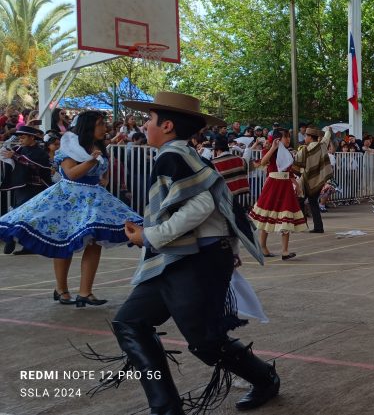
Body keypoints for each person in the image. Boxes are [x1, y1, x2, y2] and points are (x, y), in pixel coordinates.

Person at [88, 91, 278, 414]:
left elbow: (203, 203)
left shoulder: (172, 156)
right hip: (178, 258)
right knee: (130, 322)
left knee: (204, 342)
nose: (145, 125)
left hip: (193, 260)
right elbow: (214, 203)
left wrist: (151, 235)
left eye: (149, 120)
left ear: (168, 125)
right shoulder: (183, 155)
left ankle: (265, 378)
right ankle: (166, 408)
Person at [0, 111, 143, 306]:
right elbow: (71, 174)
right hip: (69, 197)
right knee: (63, 240)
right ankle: (61, 289)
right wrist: (92, 161)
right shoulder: (69, 146)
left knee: (94, 241)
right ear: (88, 126)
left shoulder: (99, 146)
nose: (104, 128)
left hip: (93, 198)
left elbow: (103, 175)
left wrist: (102, 179)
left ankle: (85, 292)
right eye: (100, 124)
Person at [249, 128, 306, 259]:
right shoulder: (269, 151)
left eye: (288, 137)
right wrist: (273, 148)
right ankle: (263, 247)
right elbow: (262, 163)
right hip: (273, 184)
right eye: (285, 137)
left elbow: (289, 172)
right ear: (278, 139)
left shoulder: (287, 153)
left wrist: (297, 185)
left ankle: (285, 251)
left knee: (286, 215)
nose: (288, 139)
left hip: (285, 185)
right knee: (268, 215)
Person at [0, 126, 52, 254]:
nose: (20, 140)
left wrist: (16, 157)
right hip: (20, 187)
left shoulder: (40, 152)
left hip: (35, 189)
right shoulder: (18, 149)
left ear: (32, 137)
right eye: (19, 138)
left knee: (28, 217)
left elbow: (35, 165)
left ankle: (22, 243)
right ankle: (11, 238)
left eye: (23, 137)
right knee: (17, 214)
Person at [295, 126, 333, 233]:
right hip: (319, 180)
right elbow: (326, 137)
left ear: (310, 137)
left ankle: (302, 225)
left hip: (306, 181)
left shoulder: (304, 150)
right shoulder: (322, 146)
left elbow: (295, 162)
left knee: (300, 200)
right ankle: (318, 227)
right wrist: (328, 131)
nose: (305, 138)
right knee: (313, 203)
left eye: (306, 136)